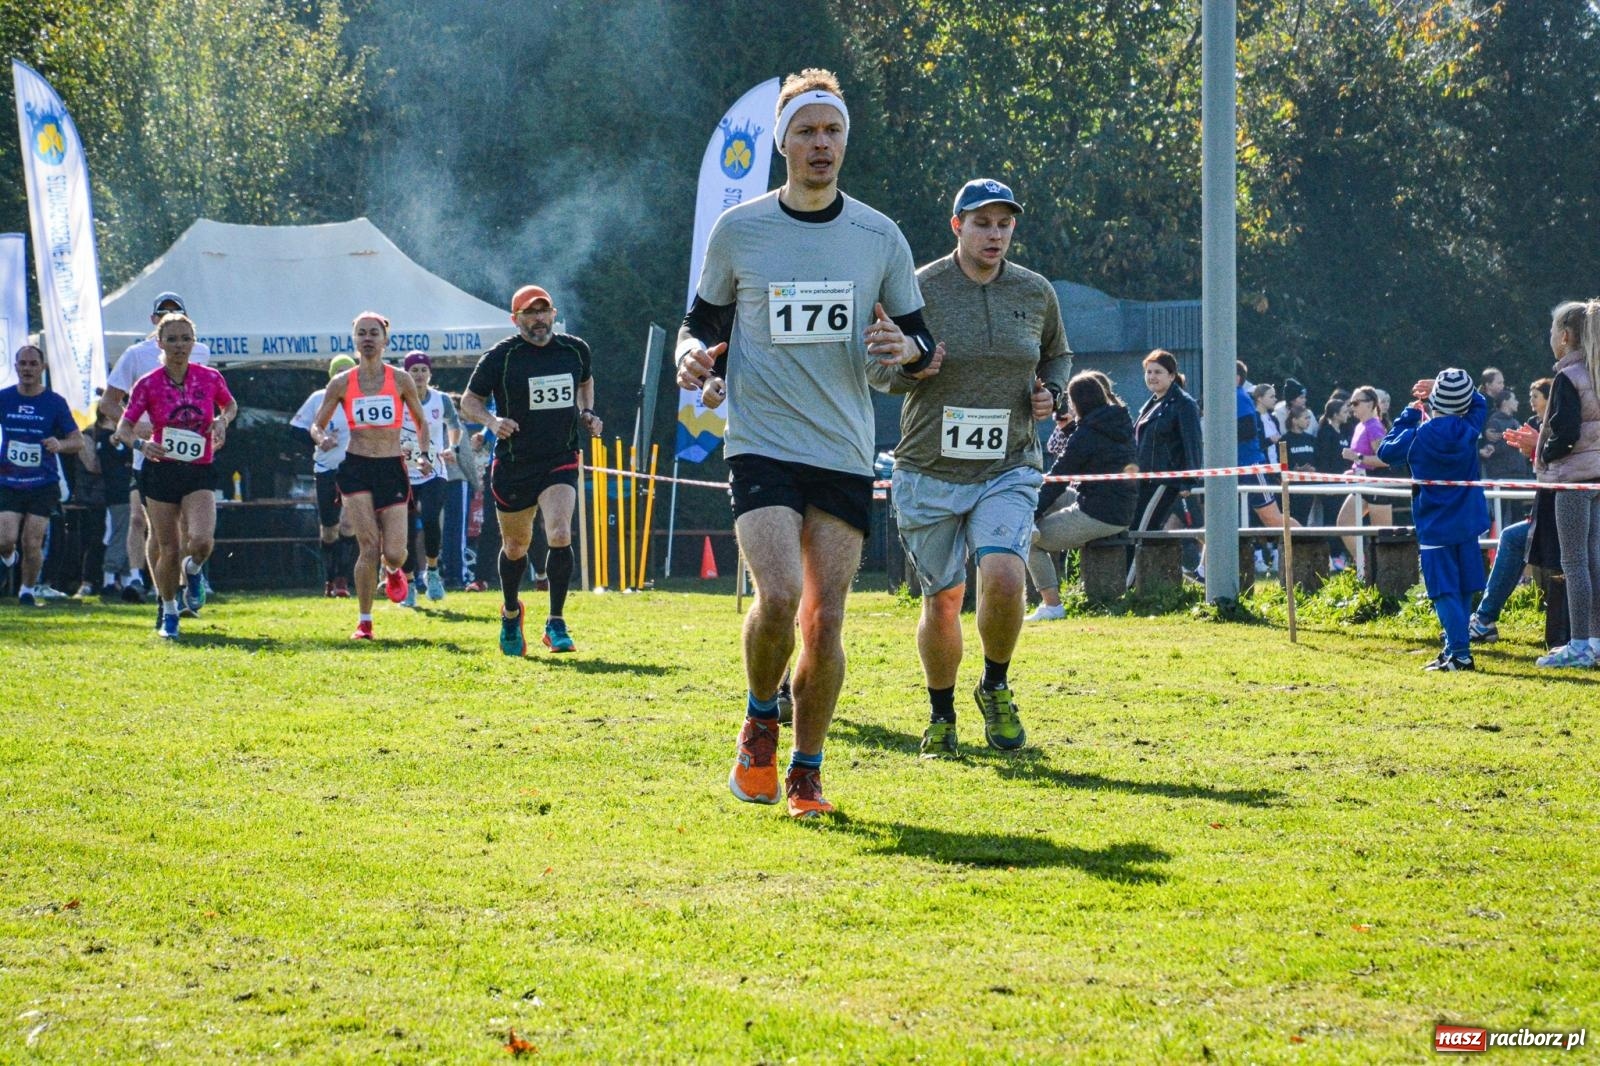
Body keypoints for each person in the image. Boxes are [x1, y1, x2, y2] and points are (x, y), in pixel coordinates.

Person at [676, 69, 933, 816]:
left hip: (845, 446)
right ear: (783, 141)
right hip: (761, 440)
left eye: (833, 132)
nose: (822, 144)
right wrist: (689, 354)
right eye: (808, 131)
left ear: (845, 142)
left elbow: (919, 338)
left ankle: (807, 770)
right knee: (781, 594)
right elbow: (702, 323)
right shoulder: (742, 229)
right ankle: (761, 719)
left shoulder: (878, 235)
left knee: (825, 621)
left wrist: (903, 347)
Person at [869, 176, 1066, 757]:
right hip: (929, 467)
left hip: (1008, 465)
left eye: (1005, 224)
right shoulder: (916, 288)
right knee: (944, 599)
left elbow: (1058, 353)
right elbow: (879, 372)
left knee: (1004, 572)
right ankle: (942, 711)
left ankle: (997, 685)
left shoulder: (1035, 292)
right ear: (958, 226)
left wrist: (1050, 391)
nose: (995, 234)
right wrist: (911, 370)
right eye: (982, 223)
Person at [460, 285, 600, 655]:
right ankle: (510, 612)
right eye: (530, 312)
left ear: (553, 313)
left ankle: (555, 622)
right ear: (515, 319)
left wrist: (587, 412)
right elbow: (468, 402)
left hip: (560, 456)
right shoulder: (501, 357)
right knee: (516, 545)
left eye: (544, 311)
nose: (538, 318)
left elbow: (585, 381)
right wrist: (492, 422)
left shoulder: (574, 349)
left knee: (558, 532)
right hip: (515, 462)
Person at [309, 312, 433, 640]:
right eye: (361, 333)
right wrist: (322, 439)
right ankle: (365, 622)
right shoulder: (342, 382)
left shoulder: (401, 380)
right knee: (368, 544)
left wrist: (422, 455)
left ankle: (392, 570)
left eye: (373, 333)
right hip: (356, 468)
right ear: (354, 340)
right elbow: (317, 424)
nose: (367, 338)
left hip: (392, 468)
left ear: (384, 340)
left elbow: (422, 421)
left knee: (395, 551)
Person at [111, 314, 236, 638]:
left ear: (193, 343)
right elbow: (124, 427)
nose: (179, 346)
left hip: (198, 469)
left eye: (185, 339)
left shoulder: (209, 378)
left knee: (201, 542)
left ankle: (192, 571)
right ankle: (169, 612)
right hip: (161, 470)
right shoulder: (148, 383)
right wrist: (142, 443)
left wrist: (222, 420)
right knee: (168, 546)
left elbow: (231, 406)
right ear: (160, 343)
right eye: (172, 339)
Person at [101, 291, 212, 606]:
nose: (168, 317)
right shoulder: (136, 355)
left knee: (191, 531)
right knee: (152, 527)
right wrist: (136, 426)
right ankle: (160, 591)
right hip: (149, 454)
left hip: (191, 455)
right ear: (153, 322)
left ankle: (187, 583)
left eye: (175, 312)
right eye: (162, 313)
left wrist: (216, 425)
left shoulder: (201, 353)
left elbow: (210, 399)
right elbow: (108, 403)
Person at [1376, 369, 1489, 671]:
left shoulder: (1417, 436)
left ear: (1433, 401)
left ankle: (1461, 655)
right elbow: (1480, 404)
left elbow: (1386, 451)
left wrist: (1409, 415)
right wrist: (1459, 393)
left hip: (1435, 526)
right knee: (1464, 587)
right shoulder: (1470, 429)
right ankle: (1453, 648)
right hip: (1467, 522)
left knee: (1443, 590)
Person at [1025, 372, 1135, 621]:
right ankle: (1030, 520)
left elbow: (1058, 477)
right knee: (1040, 502)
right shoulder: (1119, 420)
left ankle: (1052, 605)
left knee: (1028, 539)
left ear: (1076, 404)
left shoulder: (1086, 435)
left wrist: (1031, 515)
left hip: (1098, 512)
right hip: (1117, 505)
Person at [1528, 299, 1600, 668]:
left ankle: (1579, 644)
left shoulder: (1568, 377)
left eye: (1554, 330)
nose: (1551, 336)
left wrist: (1548, 454)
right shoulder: (1596, 372)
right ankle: (1596, 641)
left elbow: (1566, 432)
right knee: (1593, 560)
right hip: (1597, 480)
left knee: (1574, 563)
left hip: (1572, 480)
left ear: (1566, 336)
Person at [0, 344, 83, 605]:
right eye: (22, 364)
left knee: (32, 541)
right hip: (8, 481)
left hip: (42, 482)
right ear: (15, 367)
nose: (27, 368)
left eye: (32, 364)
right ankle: (8, 557)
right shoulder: (4, 398)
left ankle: (27, 590)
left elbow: (77, 441)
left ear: (42, 368)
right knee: (6, 539)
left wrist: (60, 445)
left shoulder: (54, 402)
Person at [1129, 349, 1203, 585]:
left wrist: (1188, 480)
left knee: (1141, 531)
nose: (1152, 376)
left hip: (1166, 482)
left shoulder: (1183, 404)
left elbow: (1192, 444)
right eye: (1148, 372)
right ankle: (1156, 582)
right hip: (1145, 481)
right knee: (1142, 529)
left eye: (1158, 372)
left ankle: (1128, 584)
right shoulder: (1150, 404)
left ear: (1172, 375)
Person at [290, 355, 356, 597]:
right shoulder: (319, 398)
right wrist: (320, 441)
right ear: (331, 375)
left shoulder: (362, 398)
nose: (344, 377)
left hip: (354, 469)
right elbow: (296, 430)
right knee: (330, 528)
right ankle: (328, 578)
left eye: (348, 371)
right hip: (326, 468)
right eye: (339, 372)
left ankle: (342, 580)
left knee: (349, 523)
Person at [399, 352, 460, 604]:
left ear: (430, 374)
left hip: (434, 469)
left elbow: (454, 426)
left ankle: (433, 572)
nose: (420, 375)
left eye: (424, 370)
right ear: (406, 374)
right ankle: (410, 583)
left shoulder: (441, 399)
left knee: (431, 517)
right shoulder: (397, 400)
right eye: (414, 371)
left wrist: (452, 448)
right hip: (404, 471)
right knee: (406, 530)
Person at [1336, 386, 1393, 562]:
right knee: (1344, 523)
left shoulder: (1375, 426)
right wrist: (1353, 469)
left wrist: (1357, 457)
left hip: (1377, 485)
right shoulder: (1360, 426)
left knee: (1383, 537)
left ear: (1370, 404)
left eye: (1356, 403)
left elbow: (1384, 460)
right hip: (1363, 484)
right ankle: (1364, 566)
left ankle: (1386, 575)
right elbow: (1362, 461)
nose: (1352, 407)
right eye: (1351, 403)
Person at [1282, 406, 1318, 528]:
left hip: (1309, 486)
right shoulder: (1285, 440)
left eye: (1309, 418)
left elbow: (1318, 460)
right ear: (1294, 420)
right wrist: (1294, 471)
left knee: (1306, 519)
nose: (1308, 421)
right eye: (1305, 418)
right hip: (1292, 488)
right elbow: (1280, 463)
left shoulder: (1311, 439)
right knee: (1292, 518)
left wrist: (1314, 469)